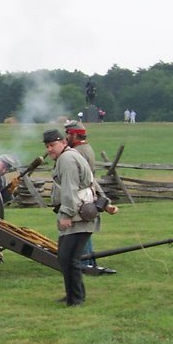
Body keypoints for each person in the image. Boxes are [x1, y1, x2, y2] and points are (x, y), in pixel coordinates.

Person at [43, 128, 98, 306]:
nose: (50, 149)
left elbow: (70, 188)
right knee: (65, 257)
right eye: (47, 146)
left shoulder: (67, 159)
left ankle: (76, 299)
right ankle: (73, 295)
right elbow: (91, 181)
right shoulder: (69, 156)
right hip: (78, 212)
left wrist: (66, 215)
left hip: (77, 215)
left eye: (52, 145)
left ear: (63, 142)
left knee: (69, 258)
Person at [64, 120, 117, 274]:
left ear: (74, 135)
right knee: (83, 232)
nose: (65, 137)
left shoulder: (78, 152)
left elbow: (85, 179)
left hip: (82, 196)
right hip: (86, 195)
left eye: (67, 134)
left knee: (80, 230)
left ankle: (85, 264)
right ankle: (88, 261)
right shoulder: (86, 148)